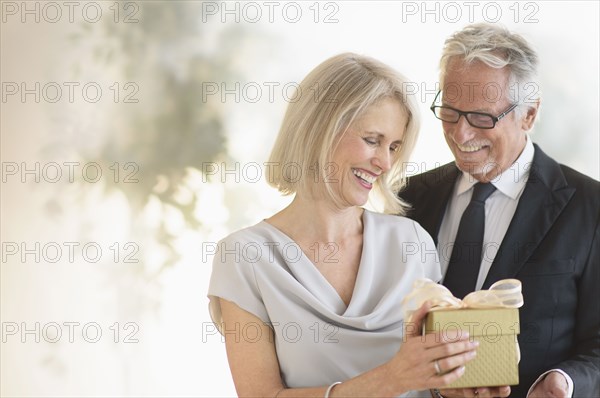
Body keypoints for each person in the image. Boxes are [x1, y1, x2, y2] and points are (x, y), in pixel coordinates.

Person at [208, 53, 479, 397]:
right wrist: (391, 379)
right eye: (372, 140)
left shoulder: (410, 242)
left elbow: (437, 377)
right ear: (320, 129)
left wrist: (462, 386)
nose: (384, 162)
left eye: (394, 147)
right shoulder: (245, 256)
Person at [399, 23, 600, 398]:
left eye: (481, 117)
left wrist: (565, 381)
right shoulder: (410, 197)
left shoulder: (590, 208)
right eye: (450, 112)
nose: (460, 135)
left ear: (528, 115)